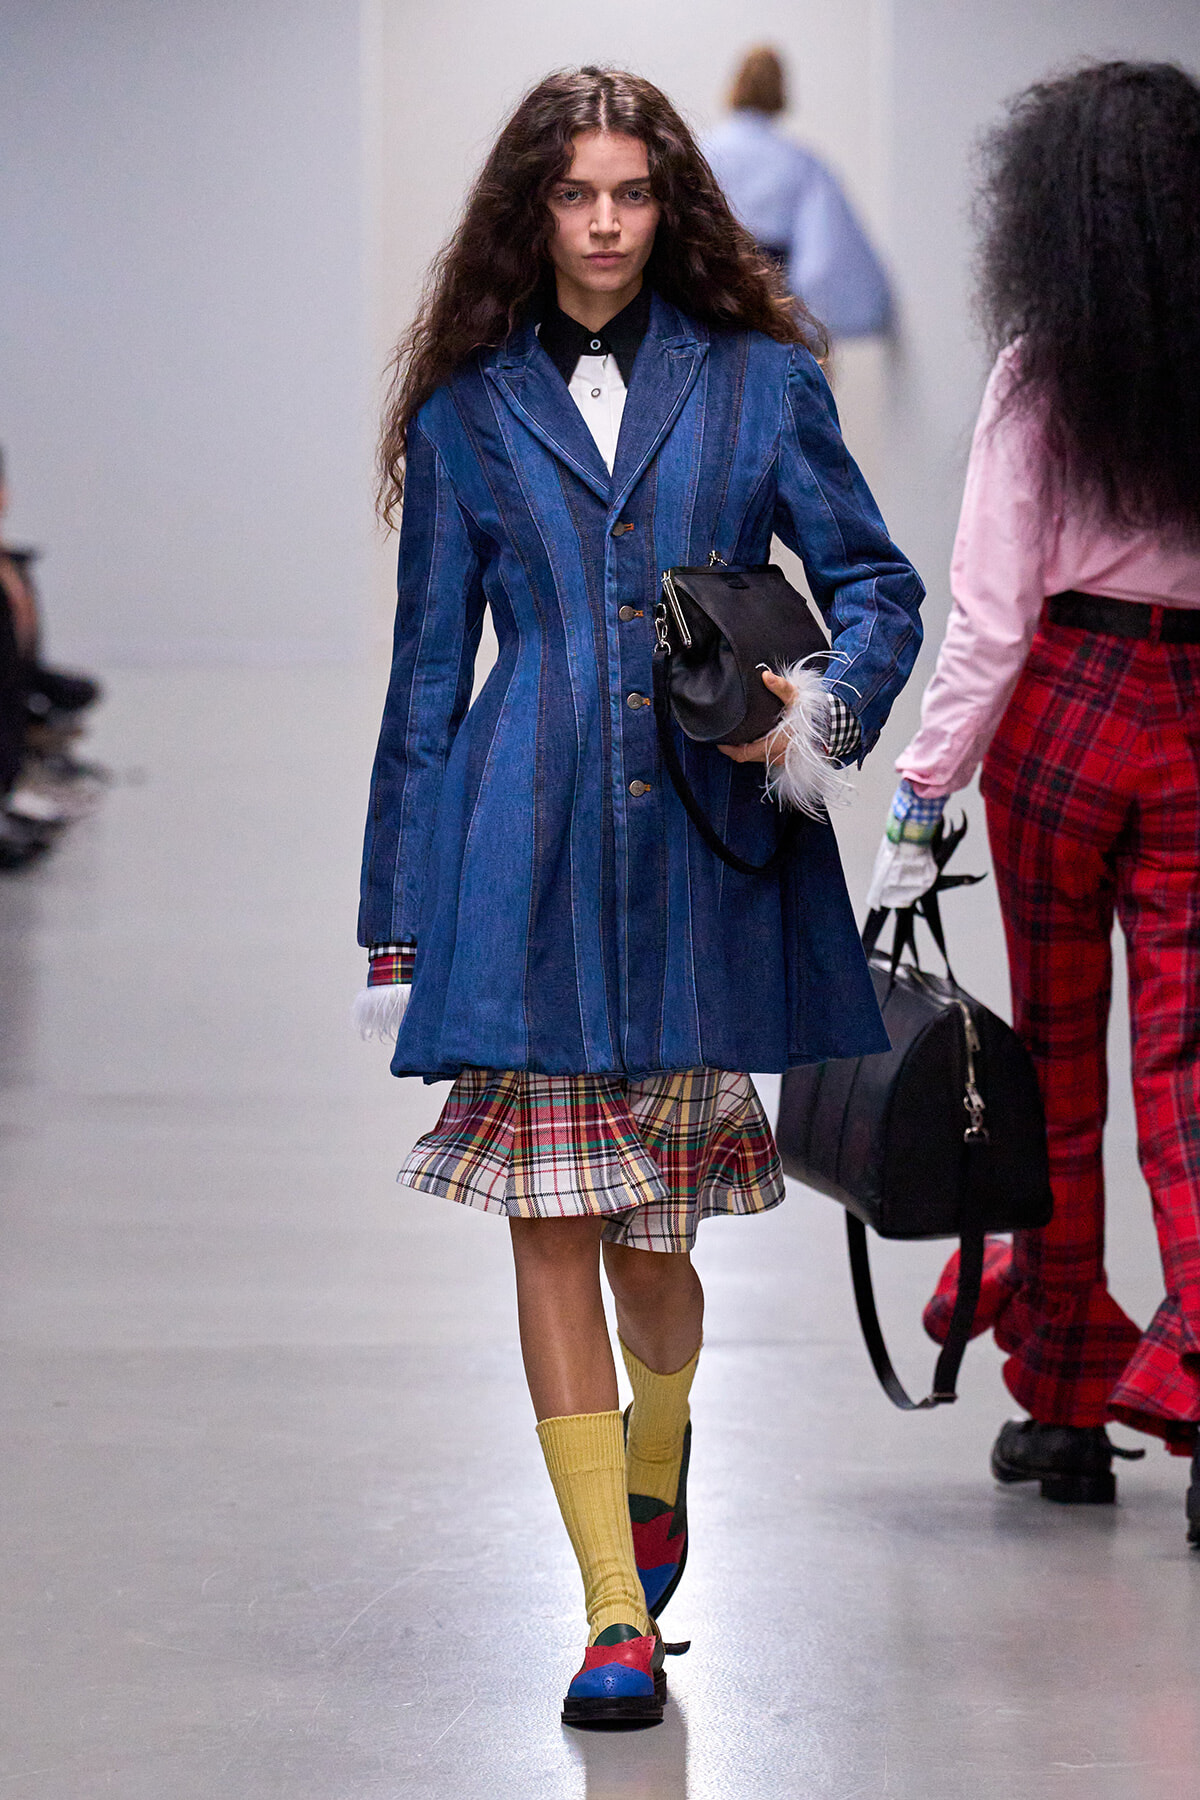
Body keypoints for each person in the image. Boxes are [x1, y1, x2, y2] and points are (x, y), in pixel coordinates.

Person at [359, 66, 924, 1725]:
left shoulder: (759, 384)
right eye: (573, 195)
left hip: (700, 854)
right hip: (516, 858)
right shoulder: (466, 412)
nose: (603, 226)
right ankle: (610, 1609)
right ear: (531, 209)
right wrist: (395, 917)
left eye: (630, 195)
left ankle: (658, 1469)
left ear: (668, 205)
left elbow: (875, 583)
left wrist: (812, 712)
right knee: (549, 1225)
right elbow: (420, 680)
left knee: (655, 1242)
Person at [868, 62, 1200, 1543]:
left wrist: (918, 799)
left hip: (1060, 727)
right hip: (1198, 724)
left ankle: (1062, 1401)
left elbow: (990, 622)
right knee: (1191, 1080)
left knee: (1054, 1059)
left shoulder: (1040, 372)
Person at [702, 47, 891, 342]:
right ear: (781, 92)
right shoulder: (800, 162)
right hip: (773, 303)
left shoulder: (700, 152)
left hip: (707, 298)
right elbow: (820, 259)